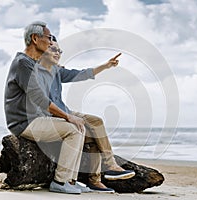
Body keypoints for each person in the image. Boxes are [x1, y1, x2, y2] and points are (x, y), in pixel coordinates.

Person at [4, 21, 92, 194]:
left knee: (79, 128)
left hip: (37, 119)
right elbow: (39, 98)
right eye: (49, 38)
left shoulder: (33, 63)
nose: (52, 42)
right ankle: (60, 182)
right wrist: (68, 117)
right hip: (24, 122)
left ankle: (71, 181)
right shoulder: (23, 64)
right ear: (35, 38)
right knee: (73, 129)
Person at [36, 42, 135, 192]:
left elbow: (82, 74)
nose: (58, 53)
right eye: (53, 49)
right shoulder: (35, 72)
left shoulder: (57, 71)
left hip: (65, 110)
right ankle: (99, 174)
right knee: (88, 130)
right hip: (52, 116)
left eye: (59, 50)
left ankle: (101, 173)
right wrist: (68, 118)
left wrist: (106, 66)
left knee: (96, 123)